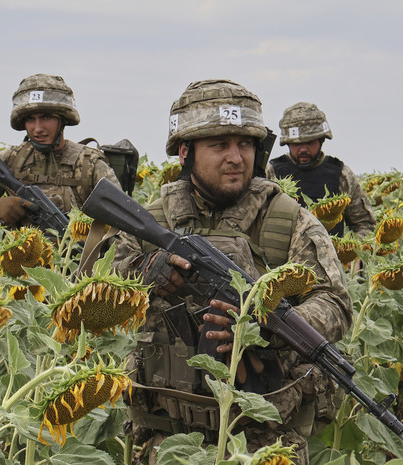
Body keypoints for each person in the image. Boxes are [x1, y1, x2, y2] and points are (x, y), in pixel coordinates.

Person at [109, 80, 352, 464]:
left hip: (263, 446)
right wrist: (148, 272)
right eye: (219, 145)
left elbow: (335, 304)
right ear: (185, 152)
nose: (236, 157)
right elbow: (104, 298)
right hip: (167, 439)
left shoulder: (288, 220)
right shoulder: (153, 220)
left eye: (245, 144)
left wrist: (265, 327)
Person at [0, 73, 121, 228]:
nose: (37, 128)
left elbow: (123, 226)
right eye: (30, 119)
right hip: (18, 252)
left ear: (63, 119)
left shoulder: (90, 165)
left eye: (46, 117)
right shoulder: (11, 159)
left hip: (80, 253)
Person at [266, 102, 375, 237]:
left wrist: (356, 253)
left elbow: (364, 223)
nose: (303, 149)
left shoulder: (341, 175)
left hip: (331, 257)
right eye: (297, 144)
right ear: (287, 143)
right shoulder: (271, 173)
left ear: (321, 140)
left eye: (310, 142)